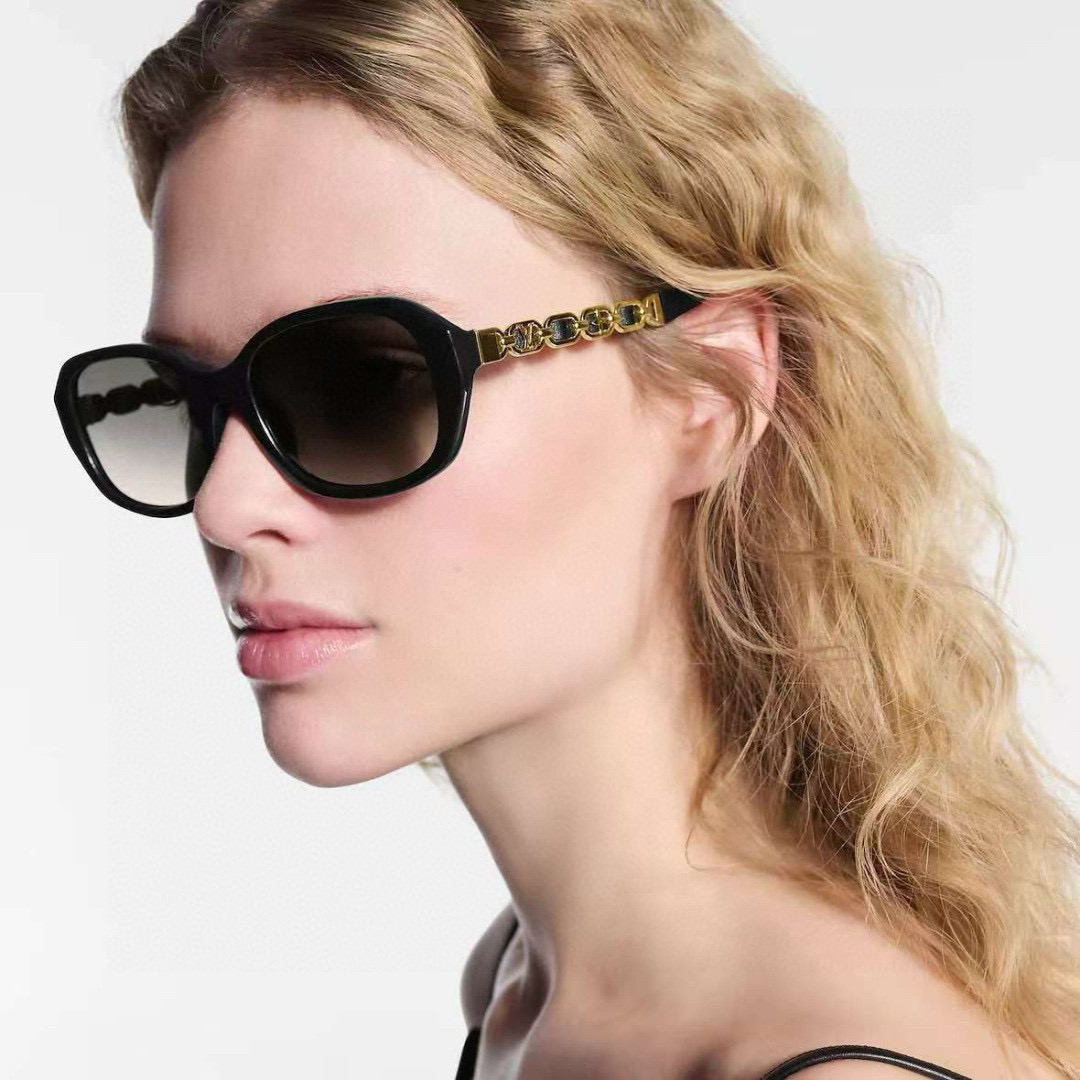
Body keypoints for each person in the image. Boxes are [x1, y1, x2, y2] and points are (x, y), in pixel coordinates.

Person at [52, 1, 1079, 1076]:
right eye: (178, 397)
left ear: (712, 393)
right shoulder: (521, 986)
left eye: (366, 383)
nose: (223, 505)